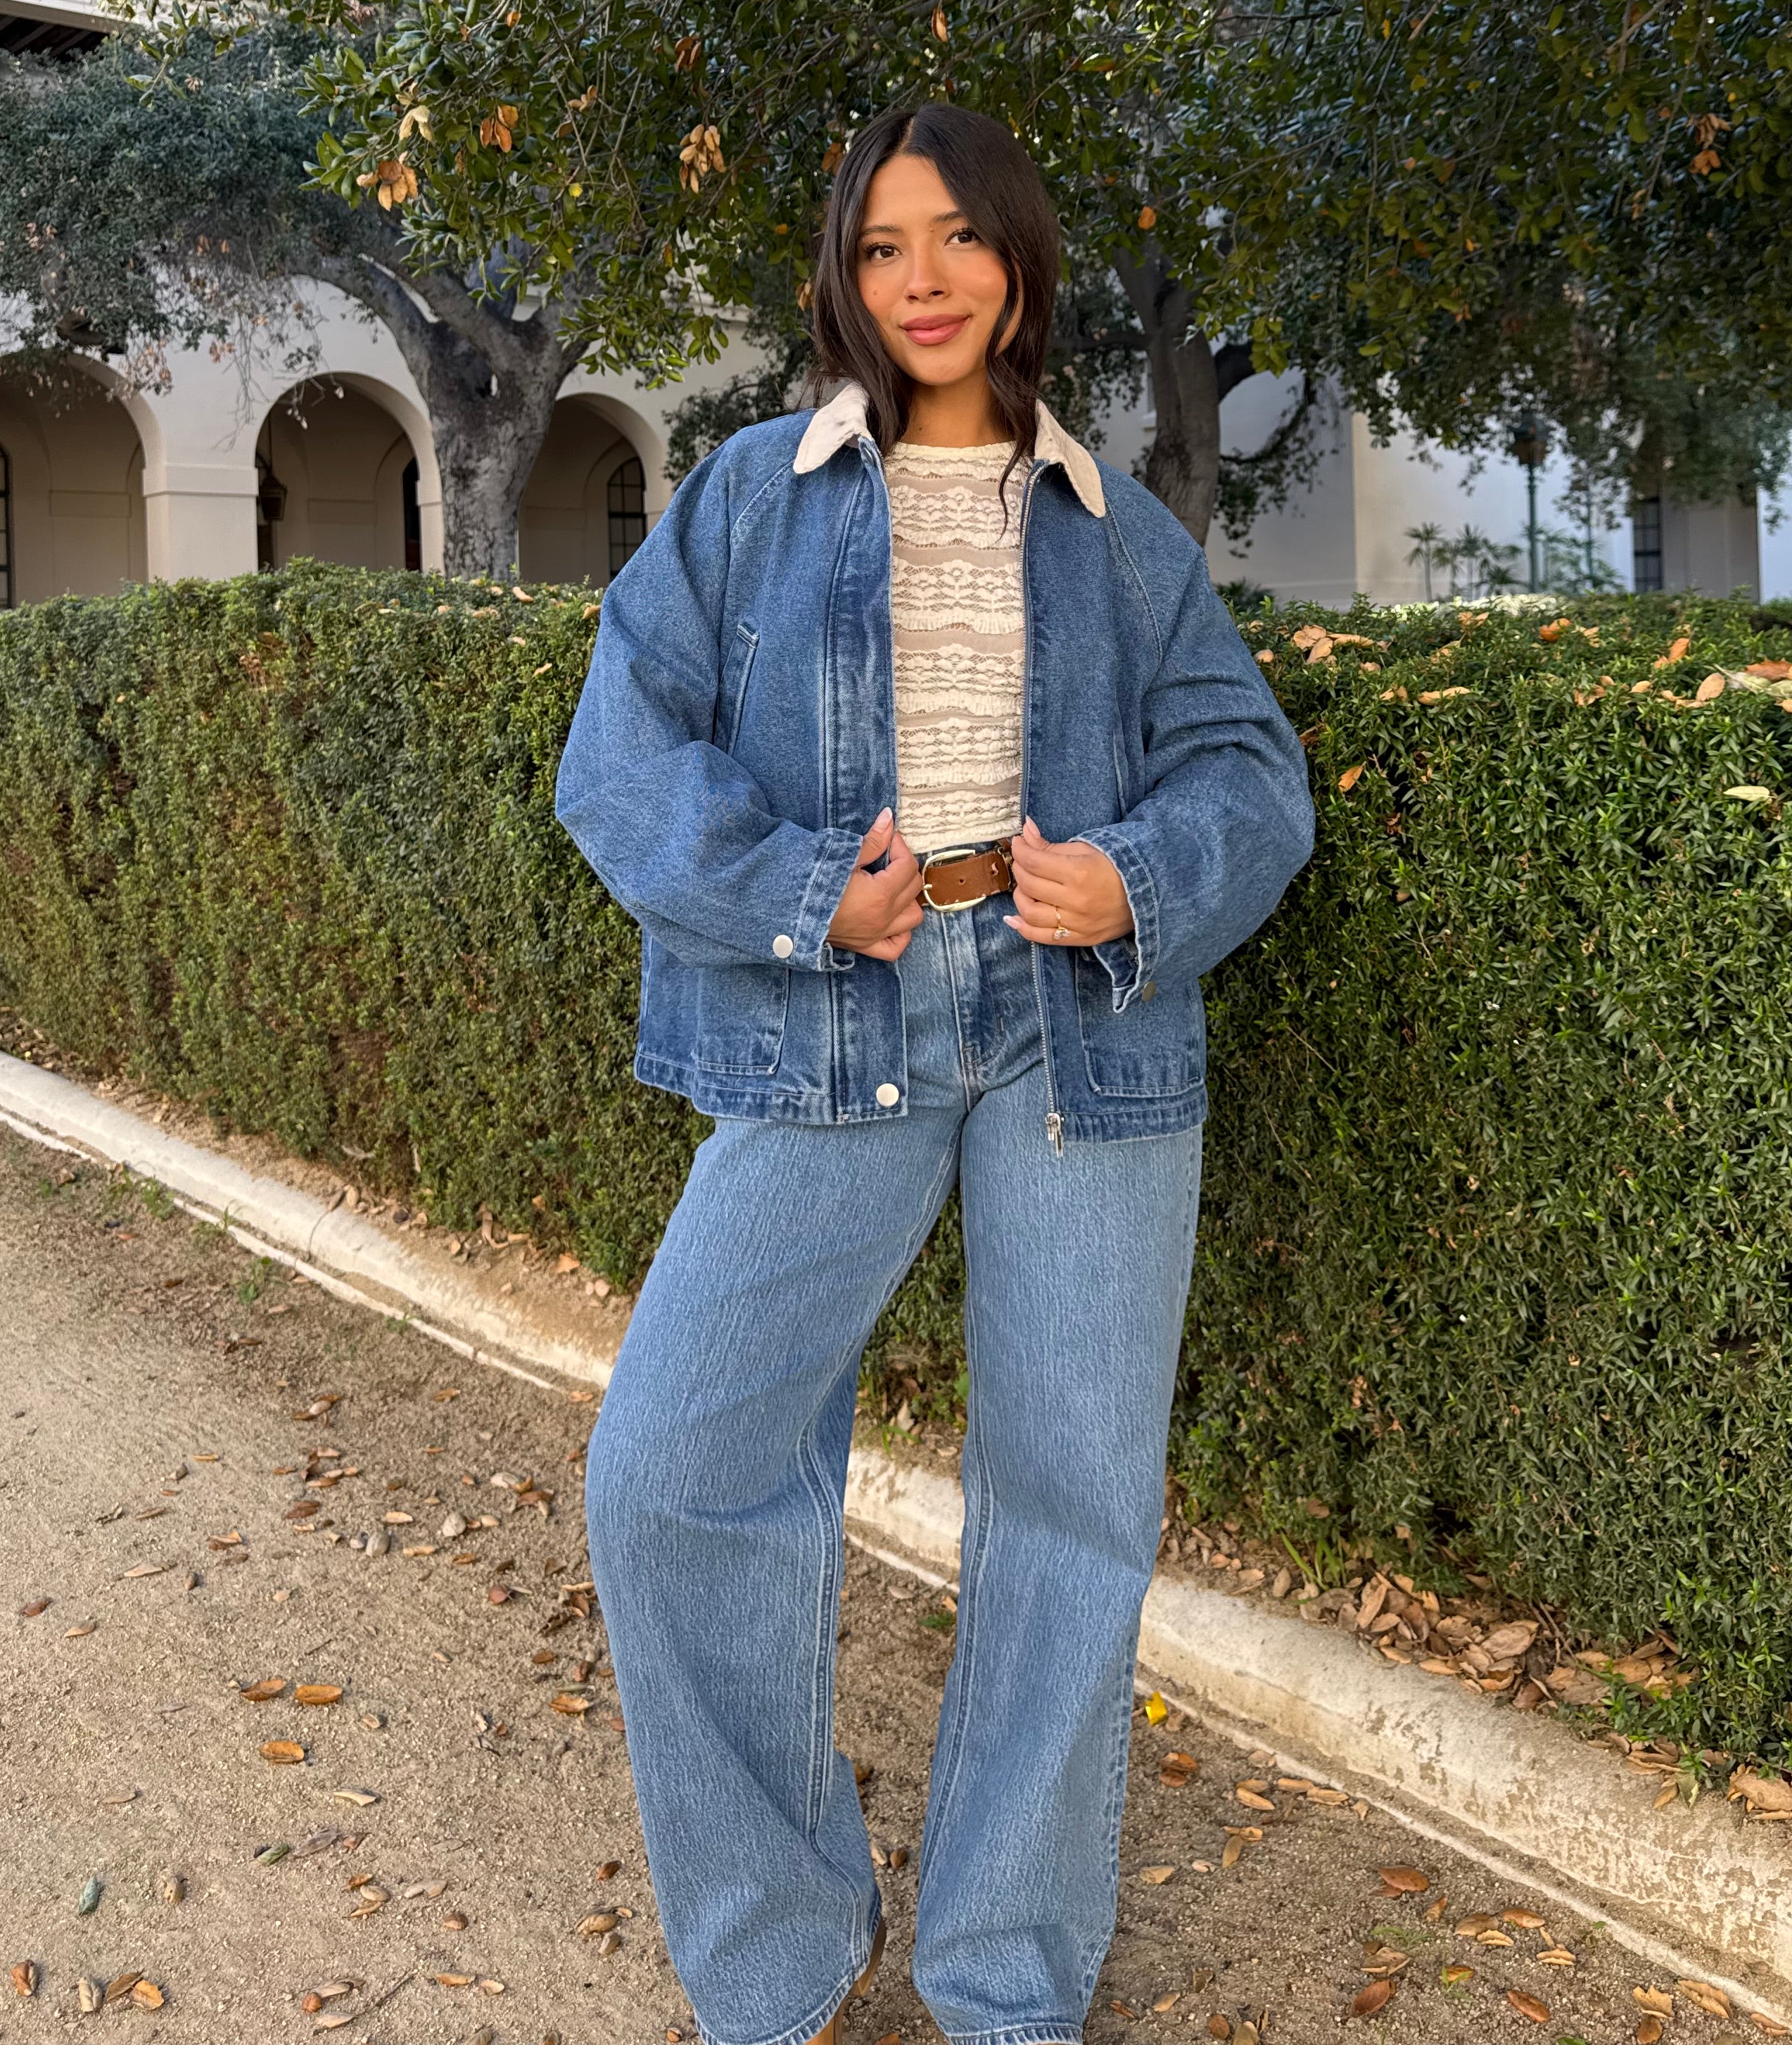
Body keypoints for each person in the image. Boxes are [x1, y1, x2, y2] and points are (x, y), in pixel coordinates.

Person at [555, 103, 1315, 2045]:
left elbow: (1250, 774)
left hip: (1080, 1025)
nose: (926, 280)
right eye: (886, 245)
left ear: (1021, 264)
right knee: (674, 1470)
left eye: (963, 237)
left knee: (1072, 1512)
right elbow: (618, 758)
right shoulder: (753, 495)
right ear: (845, 275)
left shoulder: (1118, 531)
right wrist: (800, 888)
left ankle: (1006, 1983)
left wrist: (1135, 879)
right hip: (843, 1004)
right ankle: (777, 1961)